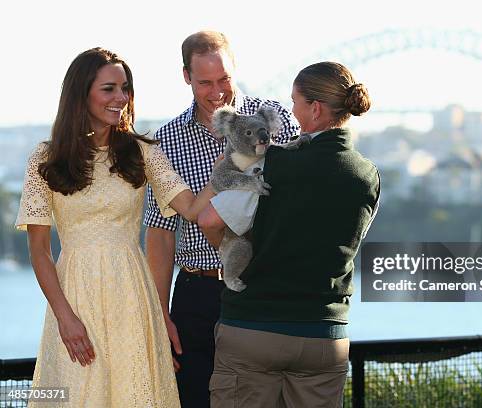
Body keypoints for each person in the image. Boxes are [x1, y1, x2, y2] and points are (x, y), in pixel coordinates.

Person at [15, 47, 216, 407]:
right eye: (109, 89)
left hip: (132, 298)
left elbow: (192, 209)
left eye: (125, 88)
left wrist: (232, 166)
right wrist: (65, 317)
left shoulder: (142, 152)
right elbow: (39, 251)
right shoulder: (45, 159)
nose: (121, 98)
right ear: (81, 93)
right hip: (76, 296)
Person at [200, 61, 380, 408]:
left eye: (295, 102)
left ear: (315, 108)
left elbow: (209, 219)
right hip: (323, 337)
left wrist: (234, 253)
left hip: (255, 329)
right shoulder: (367, 175)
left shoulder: (272, 163)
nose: (291, 111)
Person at [143, 30, 299, 408]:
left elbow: (298, 202)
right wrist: (159, 315)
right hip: (197, 295)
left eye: (224, 79)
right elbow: (160, 236)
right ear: (186, 77)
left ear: (235, 69)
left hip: (264, 285)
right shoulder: (166, 141)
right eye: (205, 82)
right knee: (196, 399)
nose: (217, 92)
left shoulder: (274, 117)